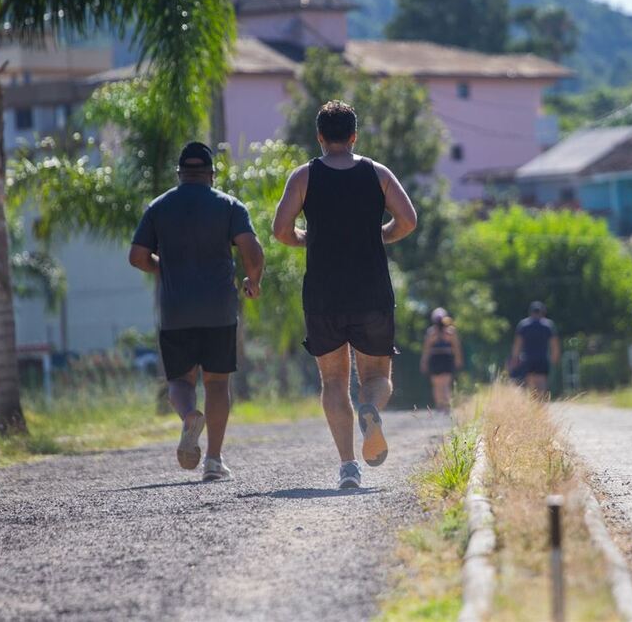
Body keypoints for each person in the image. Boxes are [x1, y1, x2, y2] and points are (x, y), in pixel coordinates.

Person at [272, 100, 417, 490]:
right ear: (354, 136)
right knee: (378, 377)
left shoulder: (304, 177)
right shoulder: (378, 174)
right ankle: (371, 409)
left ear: (320, 137)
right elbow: (408, 220)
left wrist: (307, 239)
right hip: (371, 291)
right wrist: (381, 235)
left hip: (323, 294)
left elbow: (281, 229)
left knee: (333, 382)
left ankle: (348, 466)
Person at [129, 141, 264, 480]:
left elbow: (137, 257)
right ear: (211, 175)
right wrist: (253, 279)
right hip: (219, 310)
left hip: (176, 312)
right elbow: (252, 249)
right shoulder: (229, 206)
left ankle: (190, 415)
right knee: (218, 384)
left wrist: (166, 267)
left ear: (180, 174)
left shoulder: (160, 207)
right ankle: (214, 461)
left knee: (180, 380)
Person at [510, 301, 561, 397]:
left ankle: (533, 405)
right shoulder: (548, 325)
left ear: (530, 312)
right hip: (542, 358)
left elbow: (517, 344)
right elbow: (554, 344)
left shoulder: (523, 325)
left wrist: (515, 358)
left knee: (530, 382)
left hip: (528, 358)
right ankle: (540, 403)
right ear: (542, 312)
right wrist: (555, 358)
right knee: (542, 381)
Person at [419, 307, 464, 413]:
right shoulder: (431, 332)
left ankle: (446, 405)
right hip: (435, 359)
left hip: (446, 358)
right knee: (437, 383)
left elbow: (456, 346)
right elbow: (427, 348)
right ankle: (440, 405)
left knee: (445, 382)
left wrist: (458, 359)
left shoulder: (450, 332)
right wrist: (424, 361)